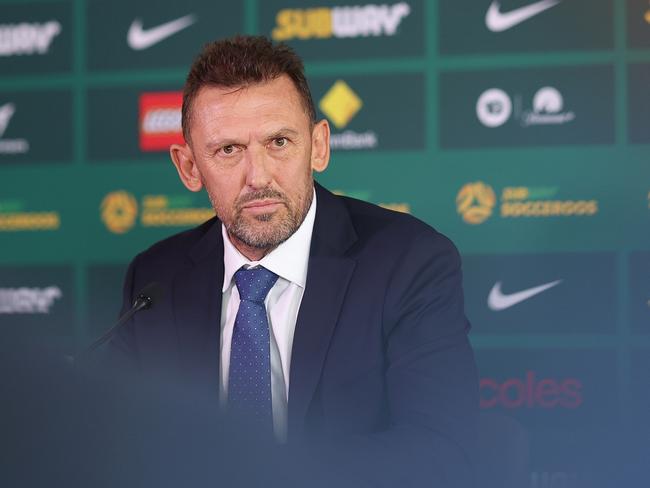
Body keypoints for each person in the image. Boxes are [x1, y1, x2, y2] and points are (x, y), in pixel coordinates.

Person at [108, 35, 478, 487]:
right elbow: (116, 446)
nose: (258, 177)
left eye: (279, 142)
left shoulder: (409, 262)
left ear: (318, 146)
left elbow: (445, 450)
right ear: (189, 168)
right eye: (228, 150)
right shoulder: (154, 280)